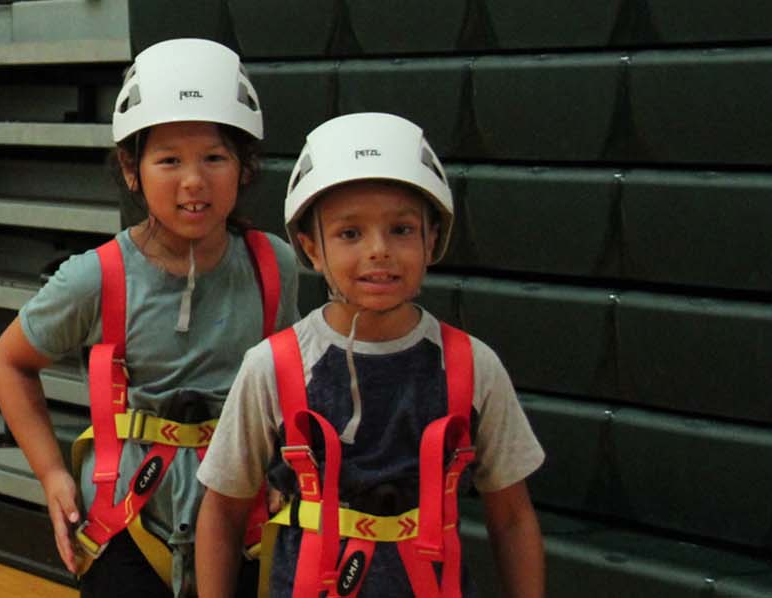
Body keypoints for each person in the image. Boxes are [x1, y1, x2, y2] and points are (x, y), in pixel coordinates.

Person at [0, 39, 297, 597]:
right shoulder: (96, 277)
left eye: (215, 157)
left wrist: (287, 469)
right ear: (132, 169)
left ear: (244, 166)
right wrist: (53, 475)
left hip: (244, 520)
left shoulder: (274, 264)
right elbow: (10, 361)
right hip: (126, 526)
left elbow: (290, 384)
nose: (193, 181)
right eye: (169, 159)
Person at [194, 112, 546, 598]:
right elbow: (222, 511)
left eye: (401, 230)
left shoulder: (472, 367)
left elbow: (512, 517)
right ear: (311, 247)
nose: (378, 251)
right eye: (350, 234)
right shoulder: (273, 367)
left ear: (432, 237)